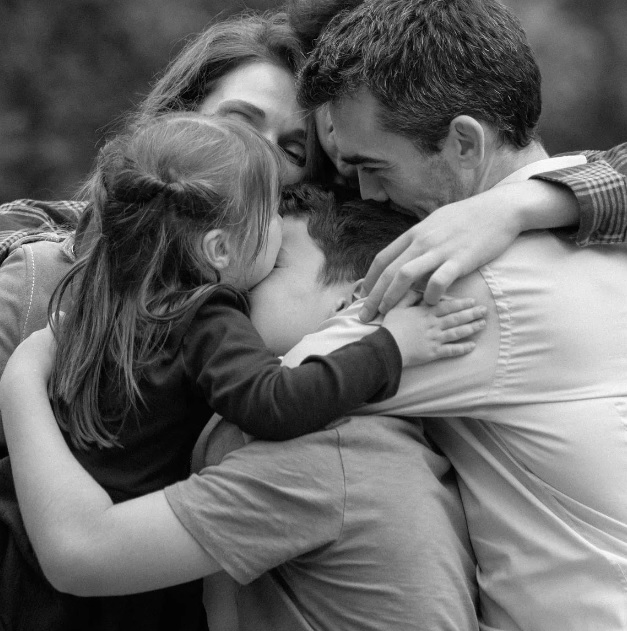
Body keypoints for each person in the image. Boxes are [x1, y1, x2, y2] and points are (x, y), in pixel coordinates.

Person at [1, 184, 481, 631]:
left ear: (355, 300)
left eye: (270, 267)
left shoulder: (322, 454)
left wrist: (23, 374)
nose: (237, 280)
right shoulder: (376, 428)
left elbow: (81, 552)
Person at [293, 0, 627, 628]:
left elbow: (285, 387)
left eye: (374, 166)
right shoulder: (600, 219)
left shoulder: (466, 282)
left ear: (465, 143)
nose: (365, 192)